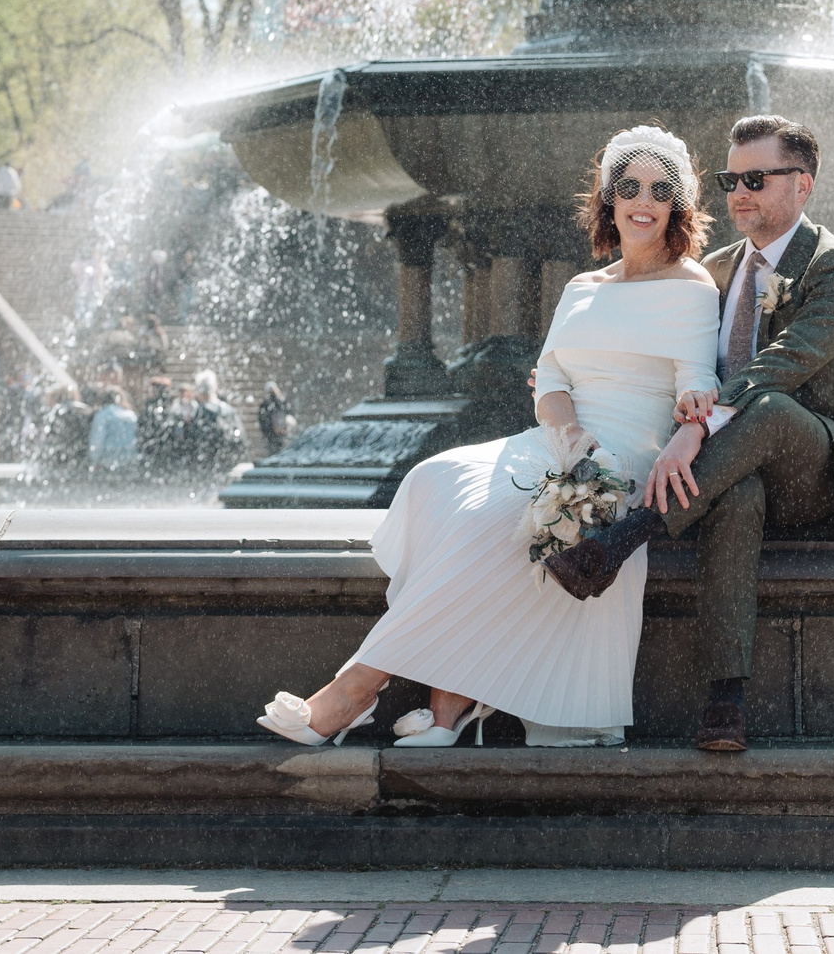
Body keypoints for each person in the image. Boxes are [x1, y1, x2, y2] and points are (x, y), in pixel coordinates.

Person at [260, 125, 722, 751]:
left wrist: (690, 414)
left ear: (677, 205)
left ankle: (355, 691)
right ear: (609, 198)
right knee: (436, 480)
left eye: (660, 190)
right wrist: (570, 438)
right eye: (630, 186)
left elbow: (696, 380)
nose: (644, 201)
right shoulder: (582, 287)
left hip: (623, 461)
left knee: (494, 515)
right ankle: (446, 711)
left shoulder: (691, 286)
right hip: (562, 440)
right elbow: (550, 379)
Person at [534, 115, 834, 753]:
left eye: (757, 179)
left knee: (773, 408)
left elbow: (783, 364)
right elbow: (682, 364)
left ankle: (622, 539)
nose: (740, 194)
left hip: (814, 468)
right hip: (728, 470)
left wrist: (697, 427)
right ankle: (726, 699)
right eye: (731, 181)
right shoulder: (714, 269)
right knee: (737, 493)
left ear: (803, 184)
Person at [89, 388, 139, 472]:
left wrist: (94, 459)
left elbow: (97, 439)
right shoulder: (131, 415)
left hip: (107, 460)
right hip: (129, 459)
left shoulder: (102, 415)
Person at [257, 382, 294, 456]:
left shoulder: (268, 403)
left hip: (274, 435)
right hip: (277, 434)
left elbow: (262, 419)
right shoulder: (281, 402)